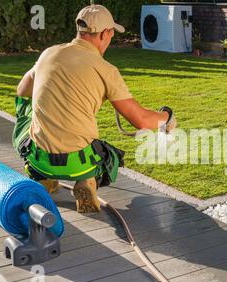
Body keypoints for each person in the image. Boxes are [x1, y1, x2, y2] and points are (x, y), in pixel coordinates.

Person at [14, 4, 176, 213]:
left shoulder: (49, 53)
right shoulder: (106, 70)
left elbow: (22, 90)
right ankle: (87, 180)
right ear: (106, 33)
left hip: (38, 158)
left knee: (25, 108)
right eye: (111, 35)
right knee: (112, 157)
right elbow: (141, 121)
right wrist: (167, 117)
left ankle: (42, 177)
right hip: (79, 163)